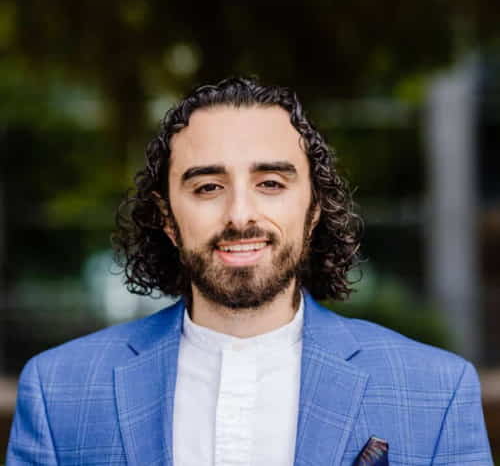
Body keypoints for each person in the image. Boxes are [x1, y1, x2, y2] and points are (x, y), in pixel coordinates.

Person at [7, 77, 492, 465]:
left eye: (271, 182)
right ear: (168, 220)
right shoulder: (58, 392)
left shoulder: (436, 390)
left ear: (314, 208)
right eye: (208, 187)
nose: (240, 214)